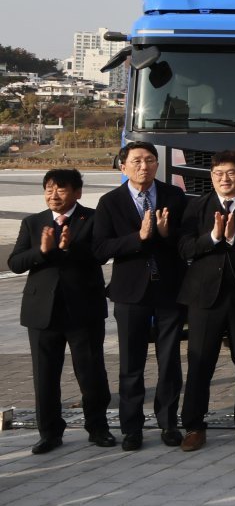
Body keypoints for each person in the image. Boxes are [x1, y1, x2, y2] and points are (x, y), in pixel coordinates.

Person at [9, 169, 116, 454]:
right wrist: (43, 252)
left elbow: (101, 254)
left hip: (83, 309)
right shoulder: (33, 223)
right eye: (48, 189)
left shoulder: (93, 218)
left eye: (61, 189)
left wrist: (68, 249)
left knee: (91, 372)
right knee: (45, 375)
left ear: (77, 192)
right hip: (41, 311)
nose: (53, 195)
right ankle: (49, 433)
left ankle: (98, 428)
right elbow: (15, 262)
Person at [93, 141, 189, 450]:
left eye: (149, 160)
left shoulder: (174, 196)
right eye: (136, 161)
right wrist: (139, 238)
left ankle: (168, 423)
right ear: (123, 166)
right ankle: (131, 428)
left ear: (157, 165)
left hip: (169, 290)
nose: (143, 166)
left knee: (170, 361)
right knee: (131, 364)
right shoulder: (110, 202)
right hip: (130, 292)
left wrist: (164, 234)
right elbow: (100, 249)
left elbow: (185, 242)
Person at [176, 151, 235, 451]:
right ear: (211, 176)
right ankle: (194, 426)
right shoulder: (195, 207)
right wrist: (213, 237)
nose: (224, 179)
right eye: (218, 173)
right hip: (204, 299)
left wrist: (234, 239)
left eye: (231, 173)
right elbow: (184, 248)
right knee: (200, 364)